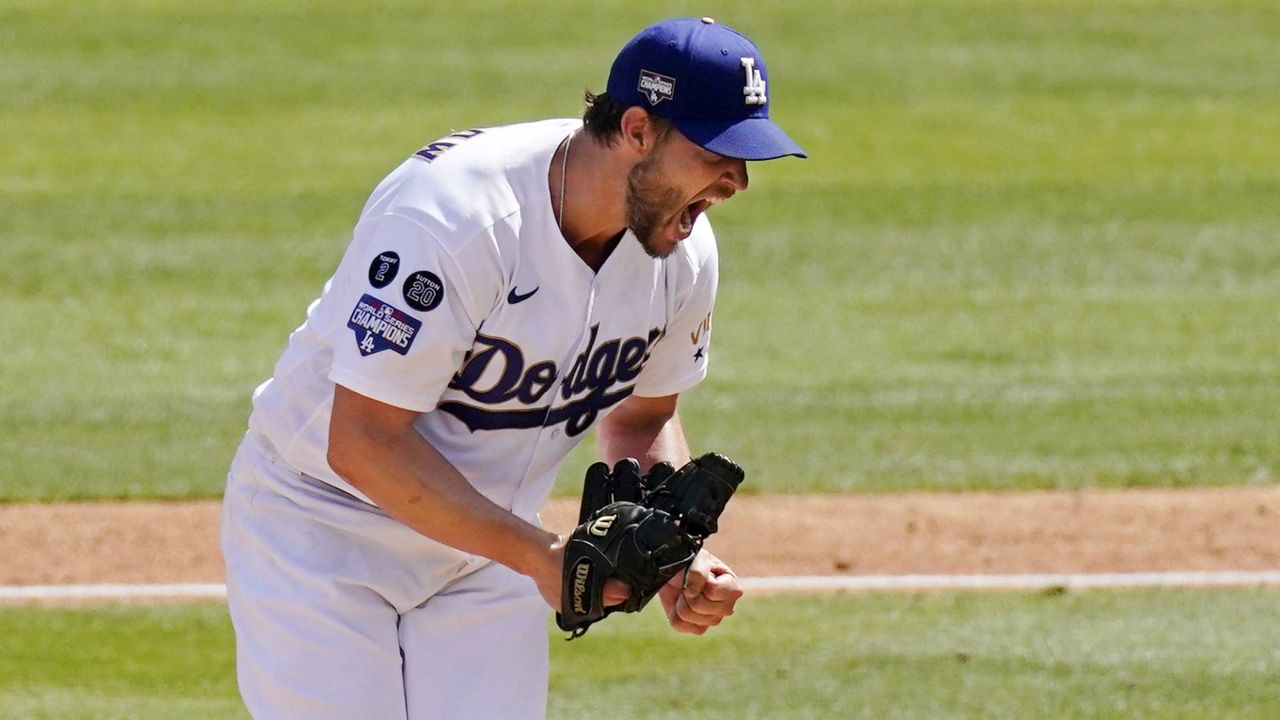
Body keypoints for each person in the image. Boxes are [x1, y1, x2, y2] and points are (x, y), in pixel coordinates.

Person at [220, 16, 806, 720]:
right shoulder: (457, 218)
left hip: (489, 546)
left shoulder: (682, 253)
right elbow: (364, 440)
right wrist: (539, 556)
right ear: (638, 130)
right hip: (322, 531)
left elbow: (645, 416)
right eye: (718, 151)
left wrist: (672, 553)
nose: (737, 180)